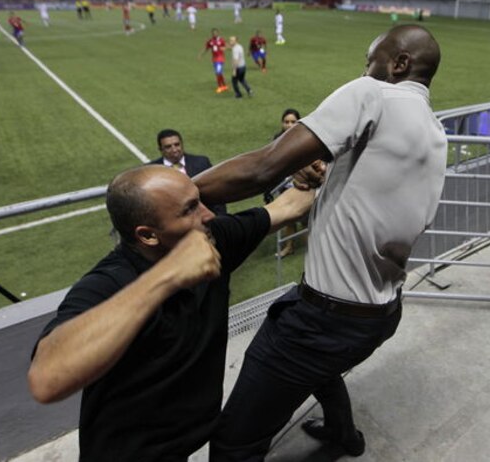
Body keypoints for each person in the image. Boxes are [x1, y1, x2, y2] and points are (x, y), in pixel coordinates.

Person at [195, 24, 447, 461]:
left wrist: (178, 195)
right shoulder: (435, 131)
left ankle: (333, 433)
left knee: (234, 440)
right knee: (321, 370)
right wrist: (329, 176)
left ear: (399, 63)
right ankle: (343, 435)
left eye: (370, 60)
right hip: (381, 313)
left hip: (323, 320)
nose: (364, 69)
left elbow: (263, 167)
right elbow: (381, 196)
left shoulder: (373, 93)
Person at [28, 165, 314, 462]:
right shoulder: (109, 282)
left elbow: (288, 207)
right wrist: (168, 275)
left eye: (199, 199)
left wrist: (315, 173)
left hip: (186, 440)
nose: (208, 215)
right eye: (189, 209)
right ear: (148, 236)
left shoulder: (211, 238)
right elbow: (46, 378)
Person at [149, 128, 227, 216]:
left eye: (177, 145)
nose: (174, 150)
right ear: (160, 149)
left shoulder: (201, 162)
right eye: (168, 147)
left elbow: (216, 192)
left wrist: (220, 217)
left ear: (182, 144)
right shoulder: (152, 170)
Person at [263, 109, 302, 258]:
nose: (289, 125)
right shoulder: (277, 140)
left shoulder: (305, 139)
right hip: (284, 185)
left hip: (301, 185)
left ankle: (311, 247)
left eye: (293, 122)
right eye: (286, 122)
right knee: (288, 218)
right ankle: (289, 246)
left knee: (305, 218)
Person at [199, 28, 228, 94]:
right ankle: (224, 85)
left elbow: (226, 46)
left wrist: (225, 48)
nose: (214, 34)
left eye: (216, 33)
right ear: (212, 33)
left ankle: (220, 87)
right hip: (214, 59)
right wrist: (201, 55)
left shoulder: (221, 40)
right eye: (213, 33)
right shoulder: (210, 41)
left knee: (218, 72)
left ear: (218, 33)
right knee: (219, 73)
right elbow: (206, 48)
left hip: (220, 59)